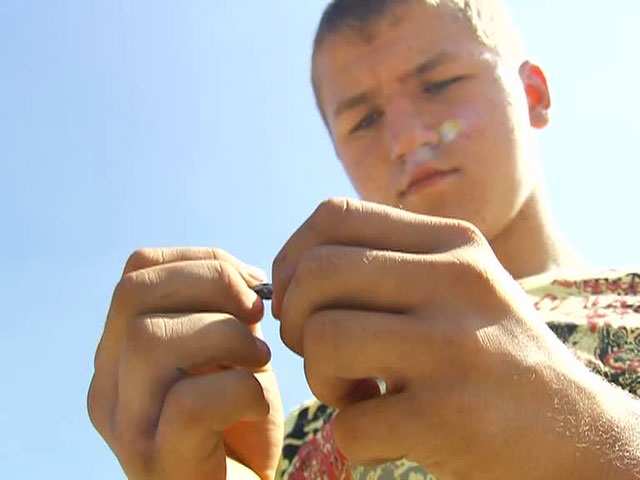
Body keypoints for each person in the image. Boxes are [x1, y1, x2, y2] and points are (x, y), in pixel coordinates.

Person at [87, 0, 640, 478]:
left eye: (440, 85)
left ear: (533, 93)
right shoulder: (312, 427)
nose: (406, 139)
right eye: (365, 121)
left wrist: (588, 439)